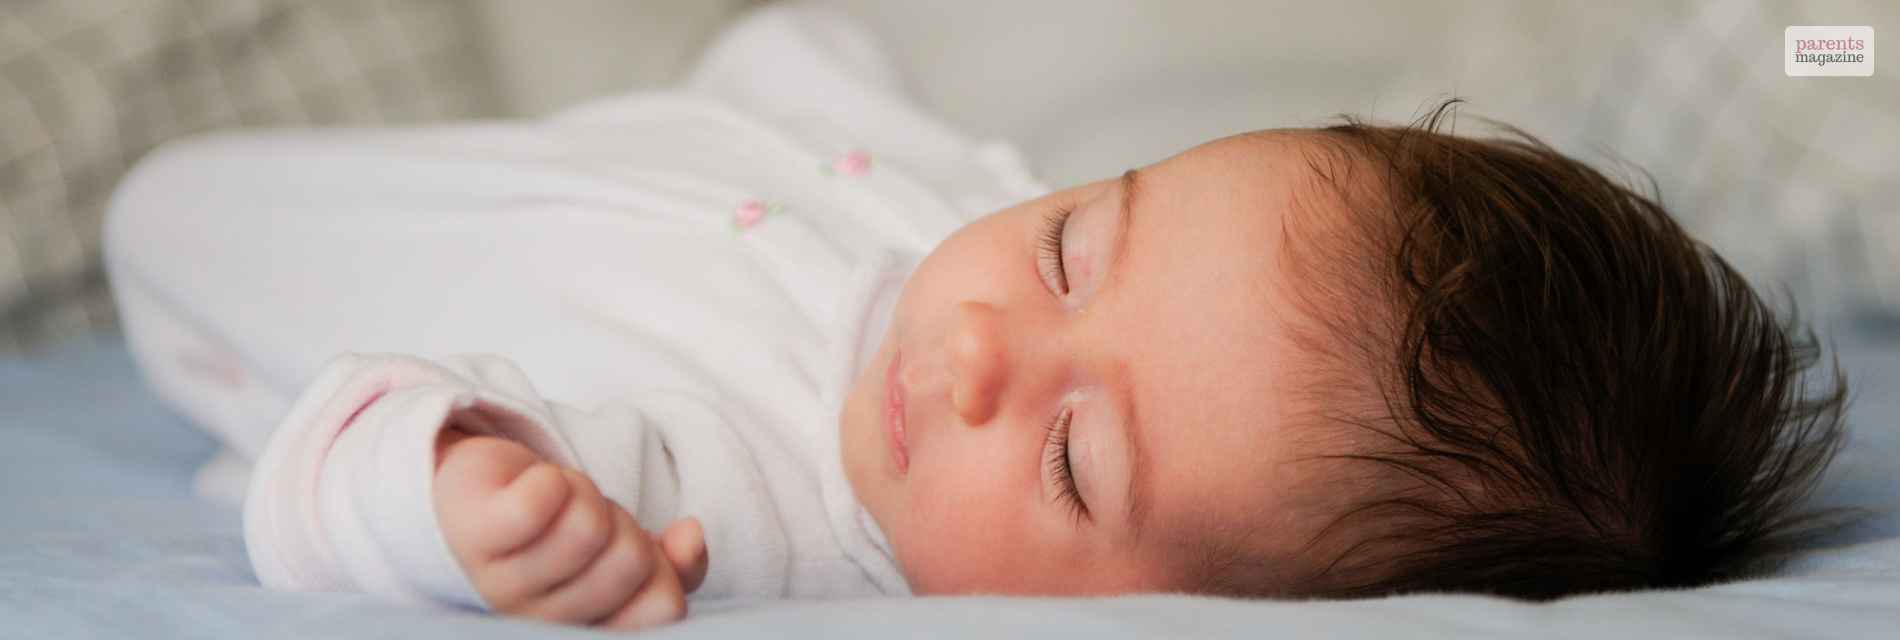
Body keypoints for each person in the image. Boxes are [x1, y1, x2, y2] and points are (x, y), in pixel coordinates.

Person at [104, 2, 1848, 632]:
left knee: (168, 212)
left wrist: (449, 487)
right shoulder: (972, 236)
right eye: (1088, 244)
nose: (986, 351)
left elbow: (323, 496)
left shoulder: (728, 509)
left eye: (1079, 462)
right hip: (677, 144)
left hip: (249, 261)